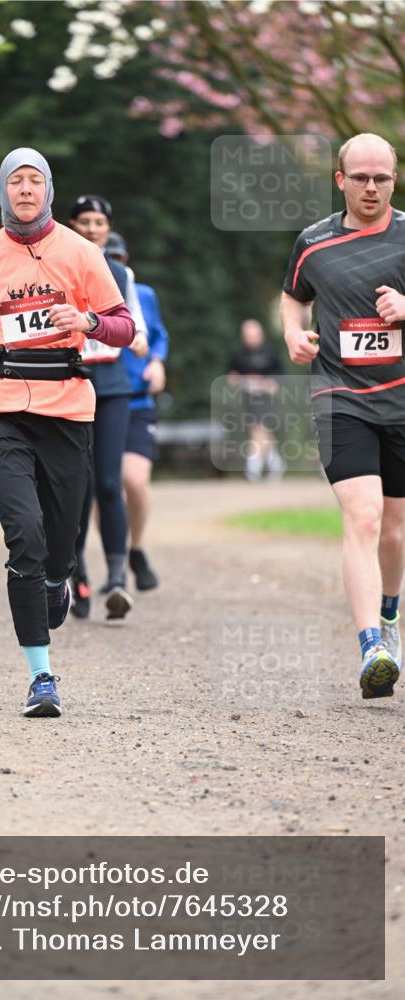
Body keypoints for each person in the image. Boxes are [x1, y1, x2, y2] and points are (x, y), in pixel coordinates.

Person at [0, 149, 135, 717]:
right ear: (3, 190)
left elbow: (124, 327)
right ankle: (41, 676)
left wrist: (89, 322)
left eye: (36, 180)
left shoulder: (82, 252)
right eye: (16, 181)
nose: (26, 189)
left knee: (61, 541)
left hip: (68, 409)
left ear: (49, 190)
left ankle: (59, 578)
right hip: (1, 409)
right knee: (23, 533)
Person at [281, 132, 405, 700]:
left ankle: (389, 612)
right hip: (339, 397)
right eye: (361, 177)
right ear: (340, 180)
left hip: (401, 402)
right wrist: (293, 336)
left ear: (394, 178)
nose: (372, 187)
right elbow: (294, 295)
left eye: (382, 177)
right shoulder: (314, 242)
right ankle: (371, 645)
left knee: (396, 533)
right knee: (362, 516)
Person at [68, 196, 149, 619]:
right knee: (74, 486)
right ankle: (75, 575)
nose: (92, 228)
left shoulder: (120, 272)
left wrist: (137, 339)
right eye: (84, 221)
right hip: (70, 383)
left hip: (113, 387)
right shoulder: (57, 266)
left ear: (107, 227)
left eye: (100, 222)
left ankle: (117, 579)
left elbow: (137, 326)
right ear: (72, 225)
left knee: (108, 482)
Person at [105, 232, 169, 590]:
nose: (114, 265)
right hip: (98, 399)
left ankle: (136, 548)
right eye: (107, 258)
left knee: (135, 480)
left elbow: (158, 334)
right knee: (106, 486)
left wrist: (157, 363)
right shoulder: (85, 292)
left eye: (119, 257)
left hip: (136, 399)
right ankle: (113, 567)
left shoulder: (142, 294)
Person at [227, 319, 285, 482]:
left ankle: (253, 464)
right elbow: (232, 377)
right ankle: (275, 463)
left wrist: (271, 385)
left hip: (267, 398)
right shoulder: (238, 354)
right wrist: (244, 382)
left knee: (259, 427)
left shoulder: (271, 352)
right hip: (249, 398)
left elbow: (281, 376)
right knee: (261, 429)